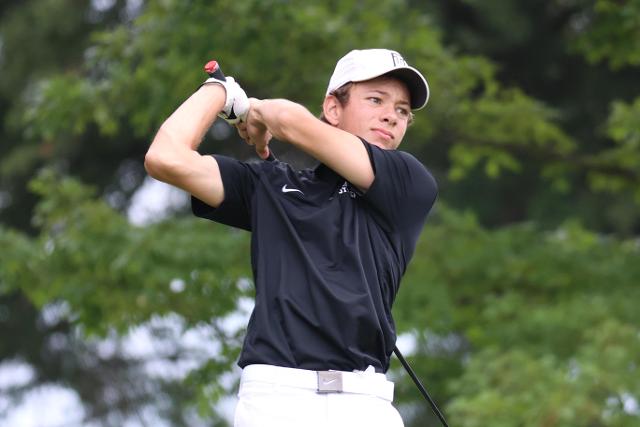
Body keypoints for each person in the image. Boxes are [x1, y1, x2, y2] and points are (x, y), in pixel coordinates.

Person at [145, 48, 438, 427]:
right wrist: (219, 92)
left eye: (402, 111)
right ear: (333, 109)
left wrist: (252, 109)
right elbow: (164, 158)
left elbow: (287, 120)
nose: (391, 116)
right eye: (376, 99)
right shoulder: (270, 185)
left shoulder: (408, 182)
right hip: (274, 399)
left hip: (365, 404)